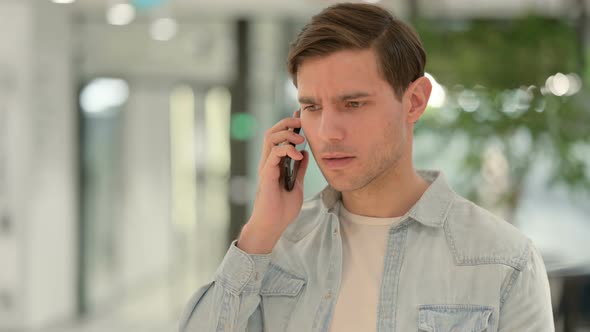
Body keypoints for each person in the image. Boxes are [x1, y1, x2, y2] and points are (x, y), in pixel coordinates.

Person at [179, 3, 554, 331]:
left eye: (353, 104)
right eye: (312, 107)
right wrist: (260, 231)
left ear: (414, 101)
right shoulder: (275, 245)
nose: (327, 133)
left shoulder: (504, 260)